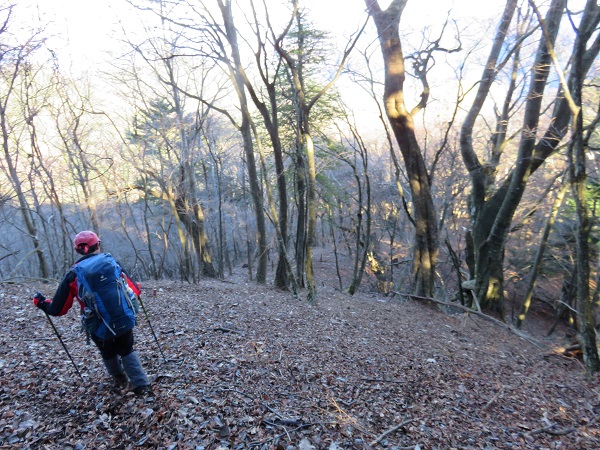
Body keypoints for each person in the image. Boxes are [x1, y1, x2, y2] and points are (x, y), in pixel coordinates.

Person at [33, 230, 151, 396]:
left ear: (77, 250)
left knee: (107, 352)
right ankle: (142, 386)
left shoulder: (73, 274)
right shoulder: (112, 263)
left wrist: (41, 303)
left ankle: (119, 379)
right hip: (123, 317)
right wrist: (136, 287)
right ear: (98, 245)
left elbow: (58, 309)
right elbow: (134, 290)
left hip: (97, 325)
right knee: (126, 349)